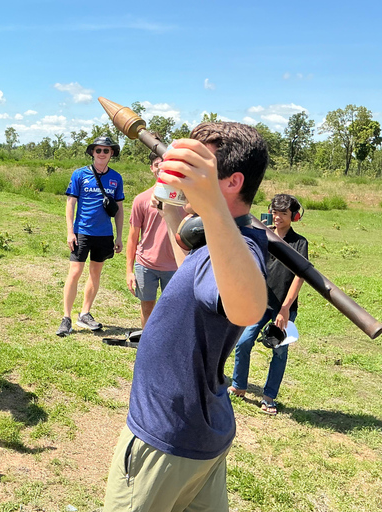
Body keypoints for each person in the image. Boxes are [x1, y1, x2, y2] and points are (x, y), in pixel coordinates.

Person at [103, 123, 270, 512]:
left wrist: (207, 203)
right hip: (199, 431)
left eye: (200, 165)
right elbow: (189, 269)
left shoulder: (239, 245)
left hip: (165, 437)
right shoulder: (217, 237)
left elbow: (246, 309)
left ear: (231, 182)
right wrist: (173, 197)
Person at [228, 194, 308, 415]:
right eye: (275, 212)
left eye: (284, 213)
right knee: (243, 342)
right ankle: (239, 386)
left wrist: (284, 309)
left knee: (279, 350)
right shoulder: (263, 234)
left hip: (284, 307)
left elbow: (299, 277)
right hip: (258, 302)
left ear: (294, 216)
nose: (278, 217)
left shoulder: (299, 243)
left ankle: (269, 396)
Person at [56, 135, 125, 337]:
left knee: (95, 273)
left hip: (104, 234)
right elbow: (71, 203)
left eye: (106, 150)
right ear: (92, 152)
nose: (102, 154)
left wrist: (119, 236)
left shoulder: (116, 178)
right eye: (98, 150)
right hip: (82, 232)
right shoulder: (79, 174)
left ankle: (85, 313)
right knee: (75, 272)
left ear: (112, 153)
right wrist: (70, 231)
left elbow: (119, 209)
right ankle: (66, 318)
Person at [125, 154, 178, 329]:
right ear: (151, 168)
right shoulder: (141, 199)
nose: (161, 168)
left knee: (172, 311)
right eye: (157, 165)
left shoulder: (181, 199)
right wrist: (129, 271)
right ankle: (147, 348)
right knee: (147, 308)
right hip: (145, 264)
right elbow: (133, 238)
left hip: (174, 266)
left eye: (165, 165)